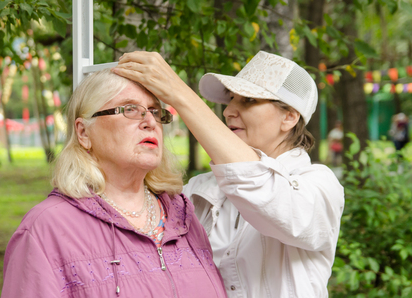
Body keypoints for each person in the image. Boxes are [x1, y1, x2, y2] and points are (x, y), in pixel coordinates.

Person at [113, 51, 345, 297]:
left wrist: (179, 94)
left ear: (289, 117)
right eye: (231, 99)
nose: (228, 111)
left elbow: (263, 190)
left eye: (248, 101)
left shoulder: (319, 185)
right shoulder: (200, 188)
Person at [1, 69, 227, 298]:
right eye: (130, 109)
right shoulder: (46, 228)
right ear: (83, 132)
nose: (150, 121)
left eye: (156, 112)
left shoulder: (183, 215)